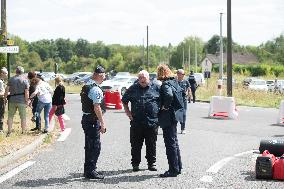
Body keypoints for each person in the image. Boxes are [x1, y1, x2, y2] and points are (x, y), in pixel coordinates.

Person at [122, 70, 160, 172]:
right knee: (135, 145)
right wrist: (128, 113)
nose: (142, 80)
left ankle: (151, 163)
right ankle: (135, 164)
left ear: (148, 78)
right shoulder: (133, 88)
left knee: (151, 144)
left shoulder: (156, 88)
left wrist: (160, 114)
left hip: (152, 122)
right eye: (140, 78)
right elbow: (124, 101)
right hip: (136, 122)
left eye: (144, 78)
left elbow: (162, 101)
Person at [157, 64, 183, 177]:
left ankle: (173, 169)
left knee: (170, 143)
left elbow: (168, 95)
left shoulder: (166, 84)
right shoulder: (174, 82)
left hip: (168, 116)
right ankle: (178, 167)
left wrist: (165, 106)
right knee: (174, 142)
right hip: (176, 115)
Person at [81, 66, 106, 180]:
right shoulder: (95, 89)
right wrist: (102, 123)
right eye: (103, 76)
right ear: (100, 76)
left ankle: (88, 170)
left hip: (86, 119)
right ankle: (91, 171)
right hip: (92, 120)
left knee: (89, 146)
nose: (104, 78)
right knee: (95, 146)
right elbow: (97, 107)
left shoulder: (86, 85)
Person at [4, 66, 29, 137]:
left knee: (10, 116)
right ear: (22, 72)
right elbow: (26, 92)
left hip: (12, 100)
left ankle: (9, 132)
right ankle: (23, 131)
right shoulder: (25, 80)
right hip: (21, 100)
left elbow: (7, 89)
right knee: (23, 117)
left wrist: (5, 98)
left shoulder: (11, 79)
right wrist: (27, 101)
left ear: (16, 71)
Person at [176, 69, 190, 134]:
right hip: (176, 100)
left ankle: (183, 128)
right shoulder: (174, 81)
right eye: (182, 74)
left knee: (183, 114)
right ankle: (174, 127)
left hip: (183, 100)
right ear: (178, 74)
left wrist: (188, 94)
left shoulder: (186, 81)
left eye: (184, 74)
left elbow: (188, 89)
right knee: (176, 114)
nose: (184, 75)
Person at [0, 67, 8, 134]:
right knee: (1, 115)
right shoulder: (0, 82)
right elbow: (0, 93)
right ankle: (0, 130)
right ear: (2, 73)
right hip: (0, 100)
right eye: (6, 73)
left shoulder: (2, 81)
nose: (7, 75)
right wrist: (7, 93)